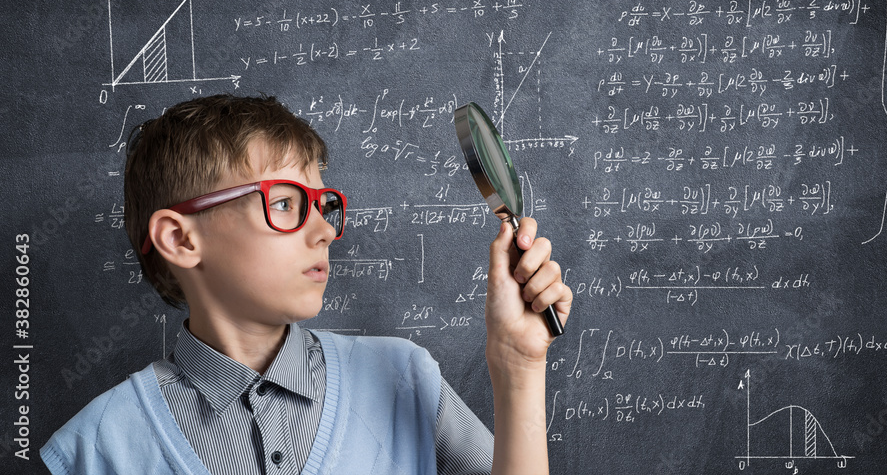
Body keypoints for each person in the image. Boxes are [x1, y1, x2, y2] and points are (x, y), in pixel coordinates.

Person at [41, 94, 572, 475]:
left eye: (324, 206)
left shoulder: (405, 378)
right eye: (286, 203)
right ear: (180, 240)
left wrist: (519, 367)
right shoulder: (98, 448)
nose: (324, 231)